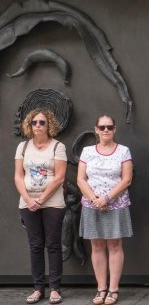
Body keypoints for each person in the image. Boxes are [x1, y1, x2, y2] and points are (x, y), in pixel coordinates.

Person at [77, 115, 133, 305]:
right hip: (91, 205)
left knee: (115, 245)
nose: (106, 130)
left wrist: (107, 198)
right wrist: (94, 199)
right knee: (97, 246)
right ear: (96, 129)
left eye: (110, 127)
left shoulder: (124, 151)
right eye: (102, 127)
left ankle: (113, 290)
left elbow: (127, 180)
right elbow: (80, 179)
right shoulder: (87, 151)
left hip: (116, 205)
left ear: (115, 129)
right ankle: (101, 288)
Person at [14, 108, 67, 305]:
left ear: (49, 125)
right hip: (27, 202)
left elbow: (60, 177)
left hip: (52, 202)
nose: (38, 125)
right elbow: (18, 176)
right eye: (34, 122)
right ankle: (38, 289)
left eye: (42, 122)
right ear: (29, 125)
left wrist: (41, 198)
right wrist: (28, 199)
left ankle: (54, 289)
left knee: (53, 245)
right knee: (35, 246)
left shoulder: (58, 146)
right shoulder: (22, 147)